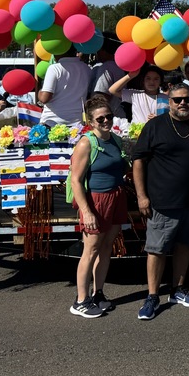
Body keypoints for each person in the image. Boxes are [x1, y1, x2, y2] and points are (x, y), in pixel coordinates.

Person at [132, 84, 189, 320]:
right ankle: (152, 296)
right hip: (162, 202)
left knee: (185, 245)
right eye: (177, 100)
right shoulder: (155, 126)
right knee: (157, 250)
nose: (183, 103)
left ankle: (178, 290)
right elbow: (138, 161)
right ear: (169, 102)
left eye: (187, 99)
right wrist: (141, 196)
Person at [68, 97, 129, 318]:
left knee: (106, 248)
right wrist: (86, 211)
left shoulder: (115, 140)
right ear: (91, 121)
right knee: (91, 249)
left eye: (108, 116)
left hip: (116, 196)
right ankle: (80, 300)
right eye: (100, 118)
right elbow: (76, 180)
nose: (105, 121)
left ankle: (98, 293)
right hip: (96, 200)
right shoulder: (86, 142)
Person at [38, 46, 91, 125]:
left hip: (52, 122)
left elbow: (44, 98)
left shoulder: (55, 68)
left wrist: (40, 92)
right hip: (77, 123)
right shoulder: (86, 68)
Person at [88, 35, 125, 117]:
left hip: (107, 117)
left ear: (104, 50)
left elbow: (103, 96)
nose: (97, 53)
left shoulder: (106, 67)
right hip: (117, 114)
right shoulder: (118, 66)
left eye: (99, 49)